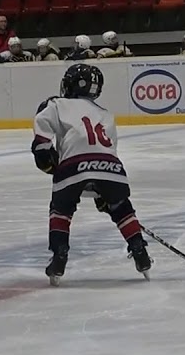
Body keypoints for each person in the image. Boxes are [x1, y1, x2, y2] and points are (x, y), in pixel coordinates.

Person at [32, 63, 151, 285]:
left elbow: (42, 139)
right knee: (121, 207)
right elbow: (106, 150)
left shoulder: (56, 104)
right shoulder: (105, 114)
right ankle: (139, 249)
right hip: (112, 168)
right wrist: (102, 194)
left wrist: (48, 163)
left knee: (61, 209)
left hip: (73, 164)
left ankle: (59, 256)